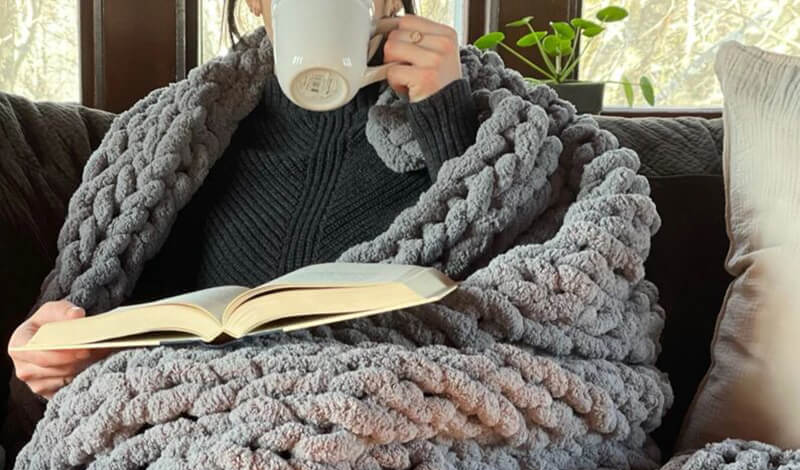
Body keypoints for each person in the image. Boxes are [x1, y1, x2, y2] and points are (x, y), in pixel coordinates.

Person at [8, 0, 479, 400]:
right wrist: (48, 356)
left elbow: (496, 318)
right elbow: (71, 366)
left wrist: (448, 121)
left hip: (380, 436)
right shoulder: (167, 147)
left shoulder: (482, 129)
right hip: (186, 445)